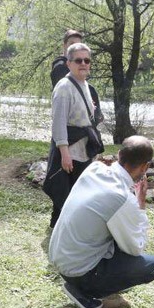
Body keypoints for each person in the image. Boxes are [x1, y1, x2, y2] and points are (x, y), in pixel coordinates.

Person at [48, 136, 154, 308]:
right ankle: (85, 290)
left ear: (119, 154)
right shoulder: (122, 198)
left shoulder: (94, 169)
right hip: (79, 272)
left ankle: (83, 282)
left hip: (59, 259)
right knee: (153, 266)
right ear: (145, 167)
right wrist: (140, 204)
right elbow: (135, 248)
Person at [43, 42, 104, 228]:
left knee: (78, 192)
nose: (83, 63)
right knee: (65, 191)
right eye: (79, 60)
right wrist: (65, 154)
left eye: (87, 60)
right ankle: (60, 229)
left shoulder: (85, 84)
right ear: (68, 63)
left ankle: (66, 229)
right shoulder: (64, 88)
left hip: (84, 148)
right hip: (70, 149)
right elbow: (58, 123)